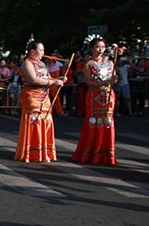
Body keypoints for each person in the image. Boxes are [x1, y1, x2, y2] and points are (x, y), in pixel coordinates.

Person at [14, 41, 63, 163]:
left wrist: (57, 79)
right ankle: (31, 152)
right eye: (40, 50)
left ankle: (44, 152)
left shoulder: (41, 64)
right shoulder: (27, 63)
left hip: (44, 96)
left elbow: (46, 78)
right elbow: (33, 79)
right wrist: (53, 82)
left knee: (45, 121)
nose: (43, 53)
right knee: (34, 121)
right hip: (32, 96)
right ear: (32, 51)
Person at [72, 37, 118, 165]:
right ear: (92, 48)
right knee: (94, 121)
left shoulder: (110, 63)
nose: (101, 49)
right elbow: (89, 82)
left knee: (107, 121)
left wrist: (114, 79)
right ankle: (91, 153)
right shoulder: (88, 64)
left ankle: (106, 154)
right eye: (98, 47)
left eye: (103, 47)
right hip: (94, 95)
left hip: (108, 95)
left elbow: (114, 77)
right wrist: (105, 82)